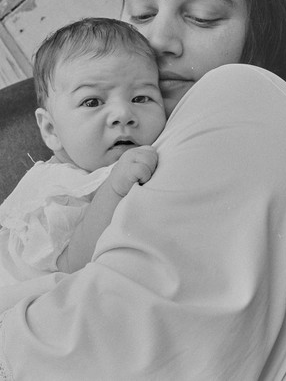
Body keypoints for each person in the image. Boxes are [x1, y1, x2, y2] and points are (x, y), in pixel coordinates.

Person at [0, 0, 286, 381]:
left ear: (262, 31)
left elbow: (92, 353)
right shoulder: (83, 161)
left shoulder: (243, 94)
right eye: (140, 14)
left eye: (202, 17)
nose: (157, 40)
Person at [0, 17, 166, 283]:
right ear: (52, 130)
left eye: (140, 98)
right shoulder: (55, 193)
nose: (123, 114)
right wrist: (113, 189)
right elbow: (72, 266)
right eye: (92, 102)